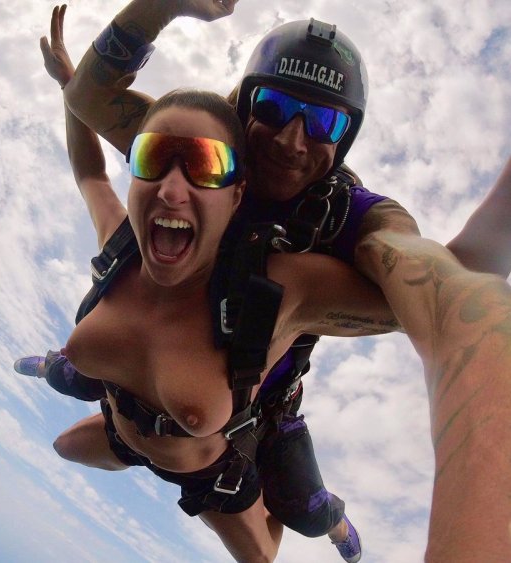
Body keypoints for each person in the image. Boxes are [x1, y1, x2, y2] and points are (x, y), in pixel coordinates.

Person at [51, 2, 511, 560]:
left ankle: (335, 522)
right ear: (244, 105)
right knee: (73, 371)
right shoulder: (204, 154)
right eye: (274, 107)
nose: (293, 140)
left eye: (324, 124)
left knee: (304, 510)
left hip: (258, 404)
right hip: (173, 365)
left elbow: (446, 278)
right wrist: (166, 5)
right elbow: (89, 102)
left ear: (345, 140)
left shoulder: (348, 218)